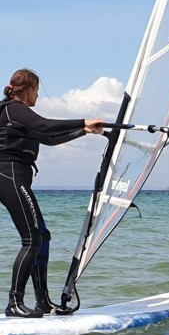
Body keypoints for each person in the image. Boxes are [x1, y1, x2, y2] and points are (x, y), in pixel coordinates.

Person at [0, 68, 104, 317]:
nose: (38, 96)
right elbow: (45, 125)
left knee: (42, 236)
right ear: (29, 89)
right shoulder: (13, 109)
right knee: (32, 239)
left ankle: (43, 302)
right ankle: (14, 303)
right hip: (9, 175)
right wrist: (82, 121)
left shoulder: (19, 115)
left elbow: (48, 138)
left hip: (15, 177)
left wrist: (84, 131)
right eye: (37, 90)